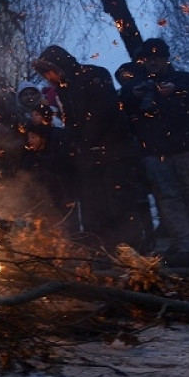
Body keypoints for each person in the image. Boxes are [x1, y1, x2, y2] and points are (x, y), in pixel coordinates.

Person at [33, 45, 153, 253]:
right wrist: (70, 142)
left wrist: (83, 139)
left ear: (58, 65)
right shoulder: (63, 89)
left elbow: (103, 112)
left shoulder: (94, 75)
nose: (47, 77)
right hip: (88, 159)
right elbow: (70, 122)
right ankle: (102, 251)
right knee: (95, 208)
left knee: (120, 205)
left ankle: (131, 251)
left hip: (114, 154)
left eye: (48, 72)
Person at [120, 38, 189, 266]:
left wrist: (177, 91)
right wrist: (136, 96)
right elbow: (120, 106)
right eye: (148, 58)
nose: (153, 62)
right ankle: (185, 247)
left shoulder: (184, 79)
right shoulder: (135, 85)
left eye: (157, 57)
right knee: (169, 200)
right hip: (155, 153)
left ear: (165, 59)